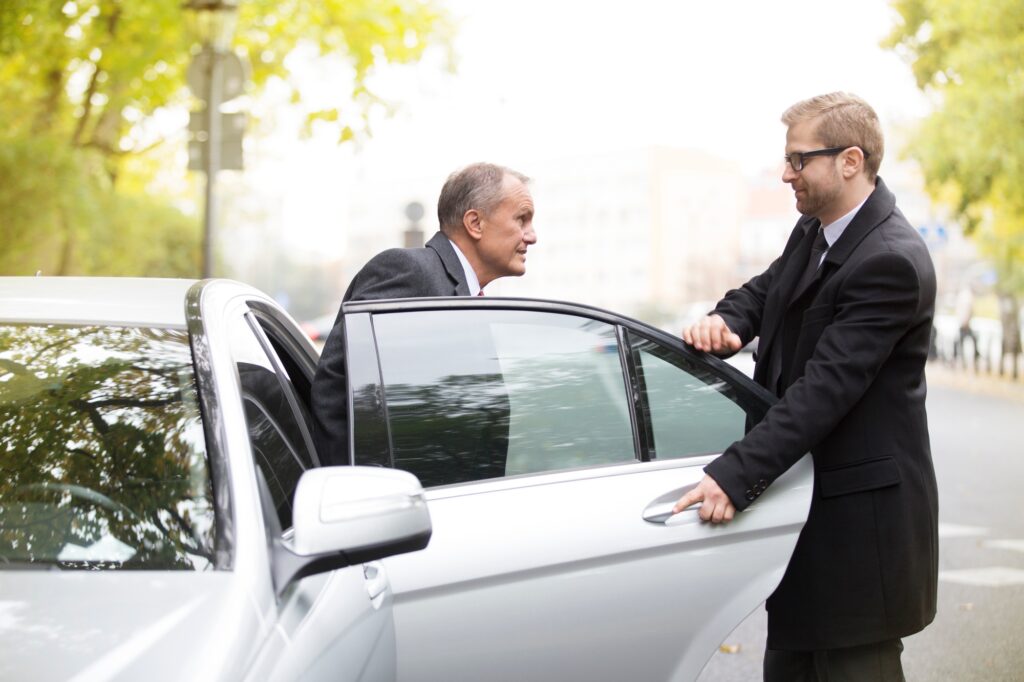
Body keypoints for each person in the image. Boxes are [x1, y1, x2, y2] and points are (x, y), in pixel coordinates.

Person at [673, 92, 938, 681]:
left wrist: (733, 475)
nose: (785, 173)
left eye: (798, 160)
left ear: (849, 160)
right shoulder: (816, 229)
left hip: (858, 533)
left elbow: (824, 391)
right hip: (808, 517)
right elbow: (766, 290)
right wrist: (728, 323)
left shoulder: (889, 261)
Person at [311, 162, 536, 463]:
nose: (531, 236)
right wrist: (355, 491)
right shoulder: (411, 272)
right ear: (475, 223)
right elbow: (338, 392)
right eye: (521, 219)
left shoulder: (468, 298)